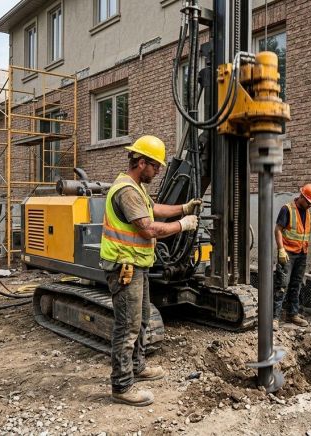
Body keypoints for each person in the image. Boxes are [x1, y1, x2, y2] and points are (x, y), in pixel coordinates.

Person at [99, 135, 202, 406]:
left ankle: (137, 366)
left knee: (142, 319)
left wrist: (183, 207)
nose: (157, 171)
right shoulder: (127, 190)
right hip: (125, 267)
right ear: (141, 162)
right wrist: (183, 224)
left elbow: (154, 209)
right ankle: (121, 386)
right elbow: (149, 227)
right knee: (128, 326)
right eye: (155, 166)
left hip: (137, 266)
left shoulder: (137, 188)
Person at [273, 183, 311, 329]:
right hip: (287, 254)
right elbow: (278, 229)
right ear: (302, 197)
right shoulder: (287, 209)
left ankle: (293, 314)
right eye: (309, 202)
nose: (310, 205)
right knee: (282, 285)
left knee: (296, 285)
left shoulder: (310, 212)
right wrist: (281, 250)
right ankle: (274, 317)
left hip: (302, 254)